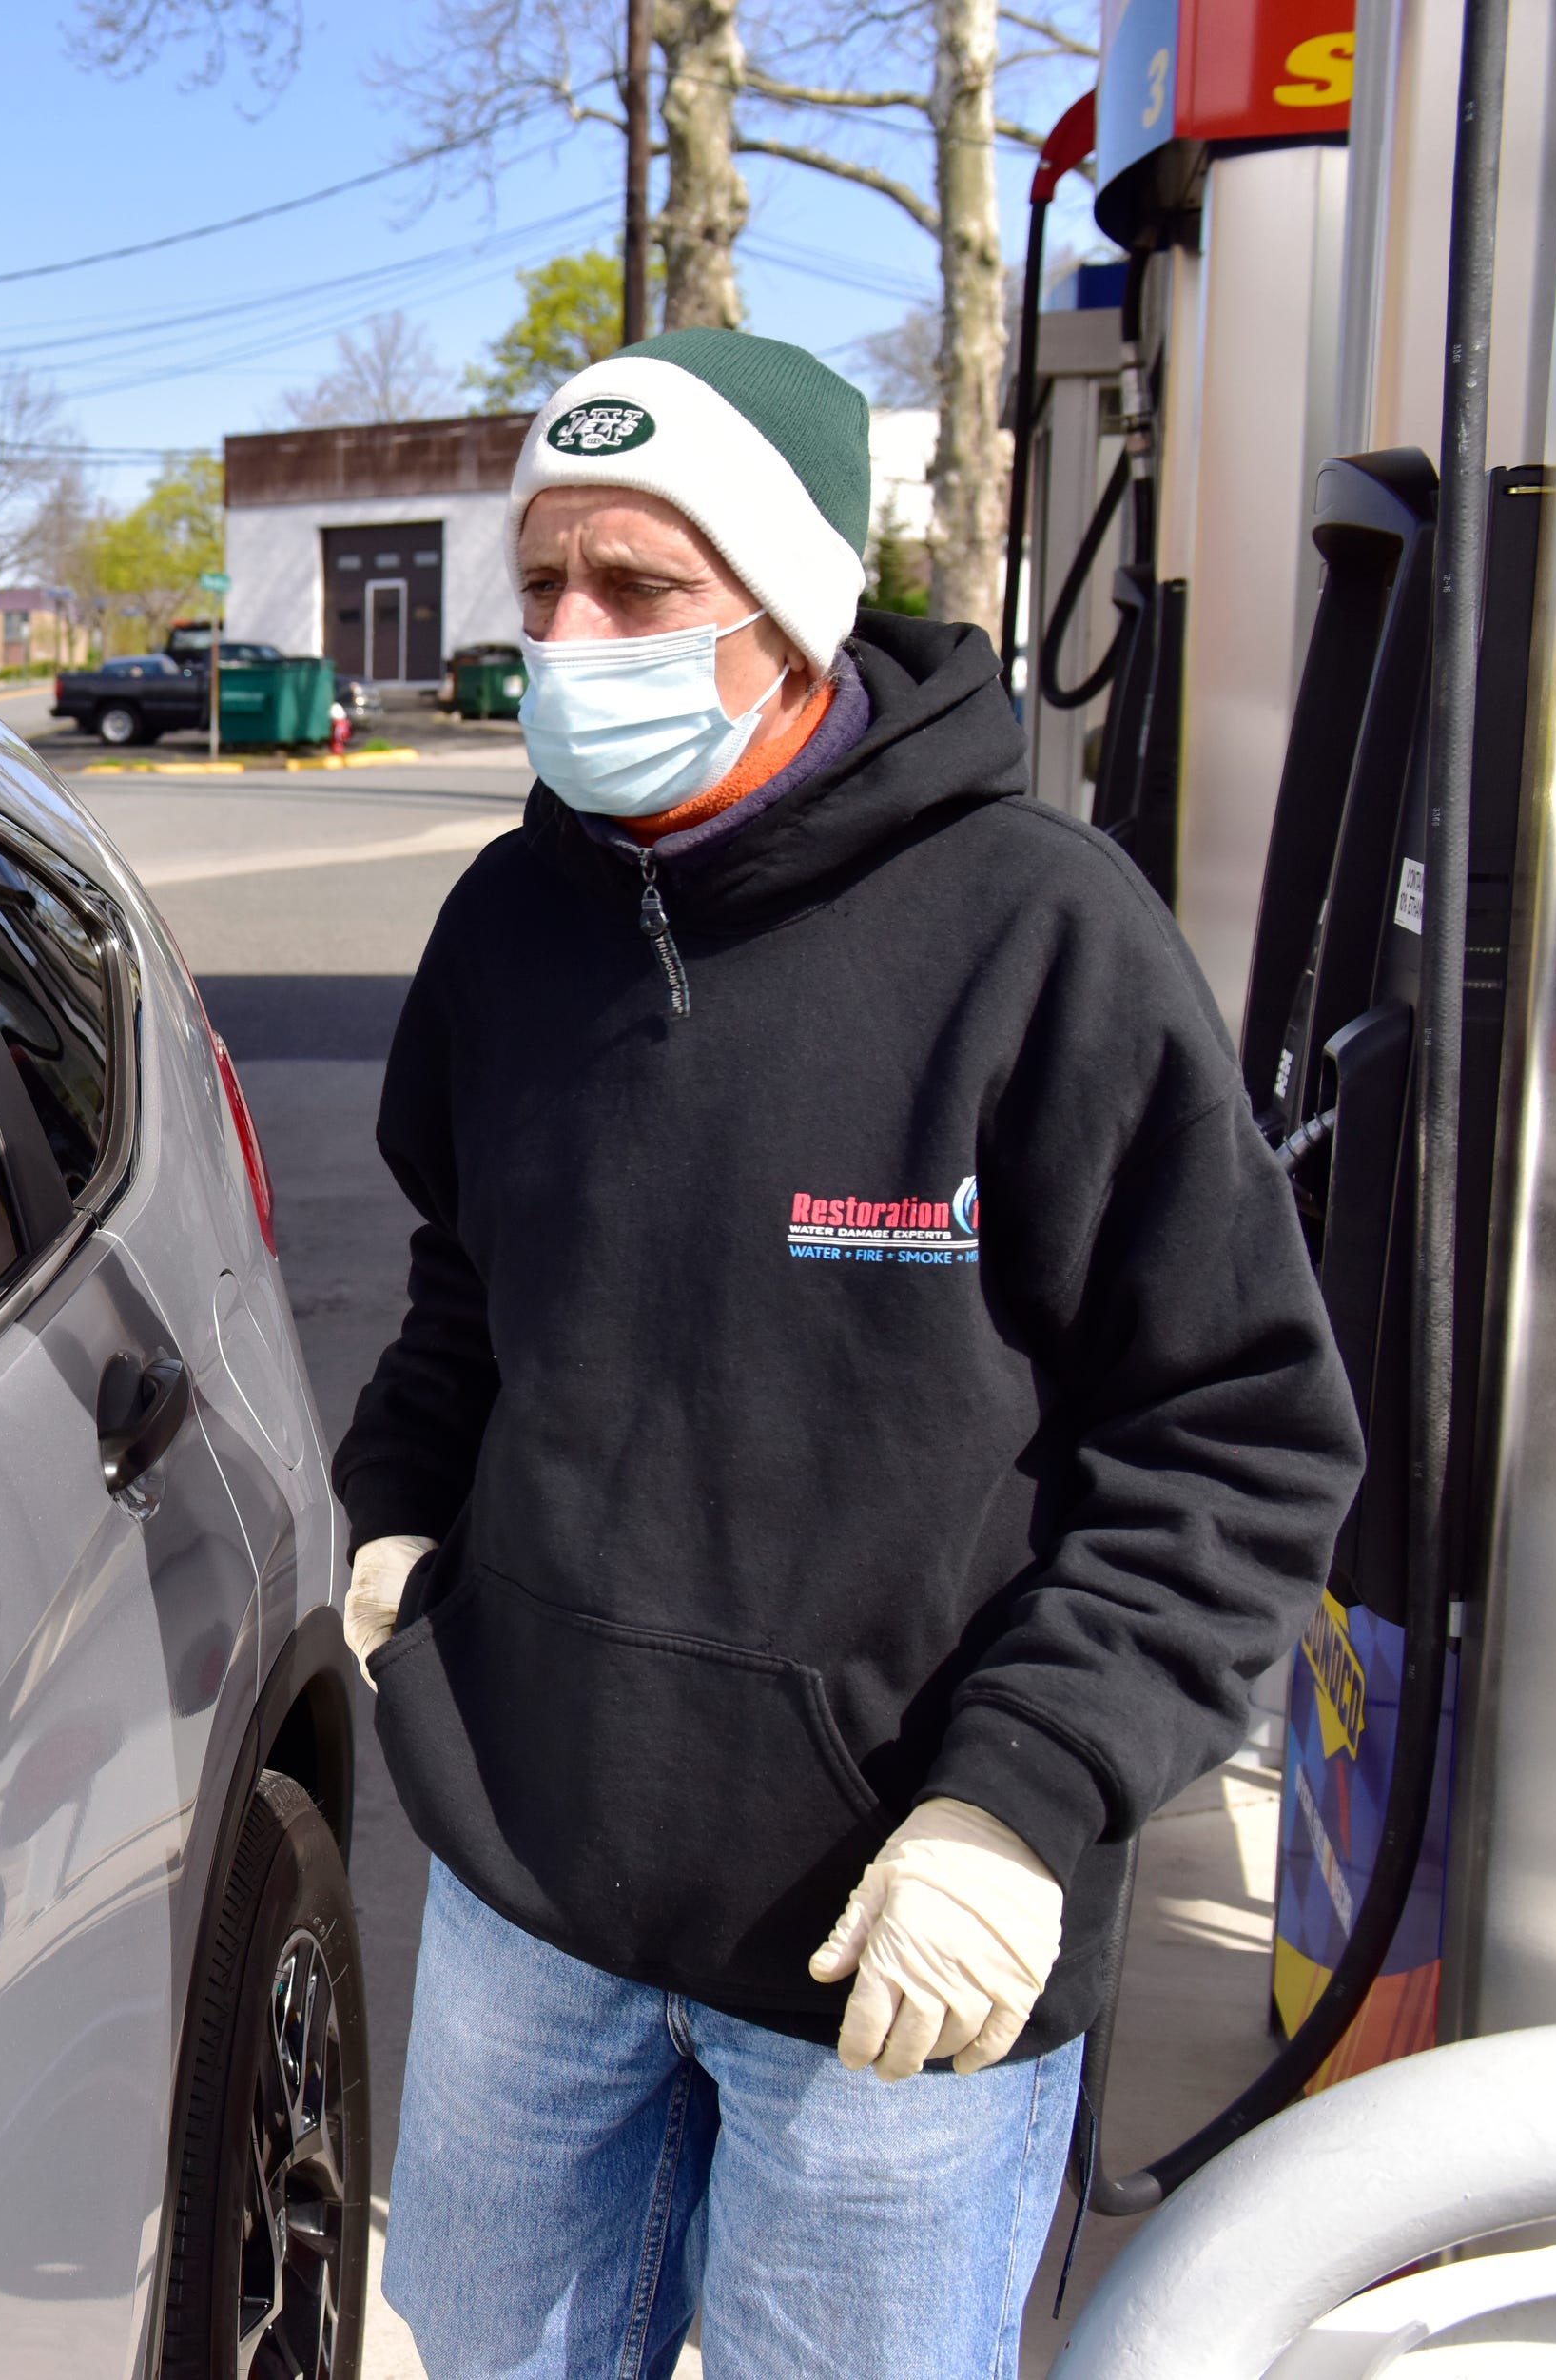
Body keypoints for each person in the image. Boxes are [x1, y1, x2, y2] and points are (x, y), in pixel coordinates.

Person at [335, 327, 1363, 2376]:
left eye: (634, 587)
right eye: (540, 588)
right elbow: (473, 1282)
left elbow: (1232, 1439)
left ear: (795, 602)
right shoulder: (510, 930)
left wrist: (1022, 1803)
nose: (567, 640)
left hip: (899, 1937)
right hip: (532, 1887)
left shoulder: (1039, 939)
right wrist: (397, 1510)